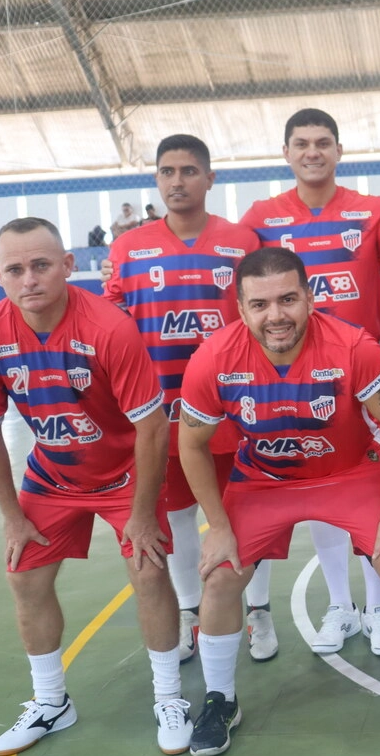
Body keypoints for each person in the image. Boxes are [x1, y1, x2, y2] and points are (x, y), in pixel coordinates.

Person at [178, 247, 380, 756]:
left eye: (288, 299)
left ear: (310, 297)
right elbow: (190, 444)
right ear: (240, 309)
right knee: (220, 576)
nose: (276, 315)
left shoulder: (353, 346)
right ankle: (220, 699)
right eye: (260, 304)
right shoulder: (214, 358)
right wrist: (216, 525)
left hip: (348, 473)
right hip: (263, 480)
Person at [0, 217, 191, 756]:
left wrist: (140, 513)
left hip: (124, 474)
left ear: (68, 266)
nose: (29, 280)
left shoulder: (109, 327)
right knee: (24, 577)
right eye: (15, 269)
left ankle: (169, 696)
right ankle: (51, 703)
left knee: (149, 570)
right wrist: (12, 516)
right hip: (52, 475)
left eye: (41, 265)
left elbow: (152, 427)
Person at [238, 108, 380, 656]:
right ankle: (341, 605)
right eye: (302, 143)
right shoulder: (261, 216)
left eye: (323, 142)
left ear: (338, 150)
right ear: (286, 152)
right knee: (321, 483)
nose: (313, 151)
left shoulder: (372, 210)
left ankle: (379, 607)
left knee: (369, 485)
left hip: (362, 370)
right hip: (294, 376)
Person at [103, 134, 267, 664]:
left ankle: (258, 612)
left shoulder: (242, 242)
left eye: (189, 171)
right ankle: (193, 614)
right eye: (168, 171)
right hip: (161, 411)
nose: (178, 181)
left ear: (210, 178)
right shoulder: (128, 249)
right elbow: (111, 325)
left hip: (235, 407)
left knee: (242, 513)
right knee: (176, 515)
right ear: (156, 179)